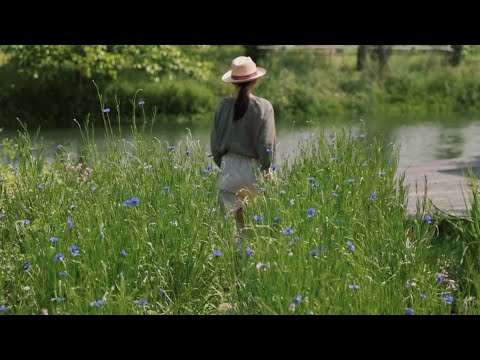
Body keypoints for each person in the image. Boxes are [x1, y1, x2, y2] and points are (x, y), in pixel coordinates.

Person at [210, 56, 277, 234]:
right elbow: (267, 144)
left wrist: (223, 164)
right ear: (255, 80)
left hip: (229, 168)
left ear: (233, 83)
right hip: (254, 170)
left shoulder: (222, 106)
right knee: (259, 226)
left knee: (234, 231)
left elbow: (215, 146)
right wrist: (267, 168)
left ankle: (236, 259)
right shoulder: (264, 106)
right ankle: (255, 258)